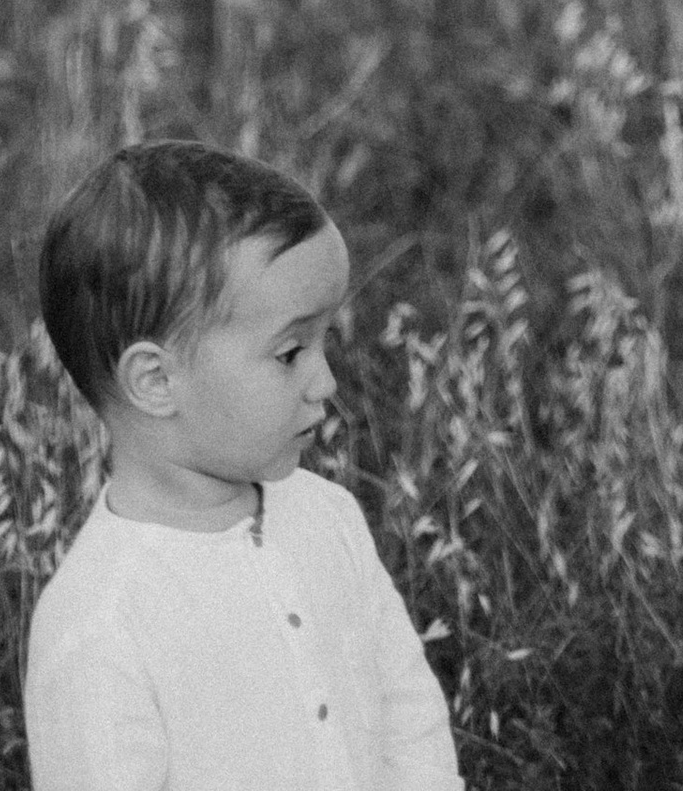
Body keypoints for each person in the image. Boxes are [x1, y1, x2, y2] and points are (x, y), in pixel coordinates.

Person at [25, 138, 461, 791]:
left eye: (324, 342)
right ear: (156, 381)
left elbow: (409, 718)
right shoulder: (101, 622)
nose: (326, 382)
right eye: (290, 353)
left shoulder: (327, 516)